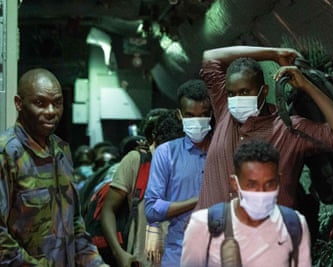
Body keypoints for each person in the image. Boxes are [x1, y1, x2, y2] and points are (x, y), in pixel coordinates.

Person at [195, 45, 333, 211]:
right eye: (231, 94)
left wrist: (307, 86)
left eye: (244, 92)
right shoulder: (226, 113)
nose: (237, 99)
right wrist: (274, 54)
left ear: (264, 91)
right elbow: (211, 57)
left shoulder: (289, 129)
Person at [0, 68, 108, 266]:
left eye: (57, 103)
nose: (51, 112)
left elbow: (74, 224)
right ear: (19, 103)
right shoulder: (6, 154)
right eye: (40, 103)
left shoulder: (61, 151)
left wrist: (96, 263)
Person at [181, 140, 312, 267]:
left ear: (278, 180)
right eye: (252, 185)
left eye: (269, 184)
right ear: (235, 183)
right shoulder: (203, 225)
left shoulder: (295, 225)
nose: (261, 192)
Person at [100, 108, 183, 267]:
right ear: (155, 141)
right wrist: (119, 252)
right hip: (139, 261)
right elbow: (108, 210)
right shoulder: (135, 161)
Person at [144, 79, 212, 267]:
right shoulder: (166, 153)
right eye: (190, 115)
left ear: (211, 114)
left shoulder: (221, 152)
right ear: (179, 115)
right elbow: (151, 209)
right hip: (178, 257)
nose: (197, 121)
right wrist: (198, 200)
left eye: (203, 115)